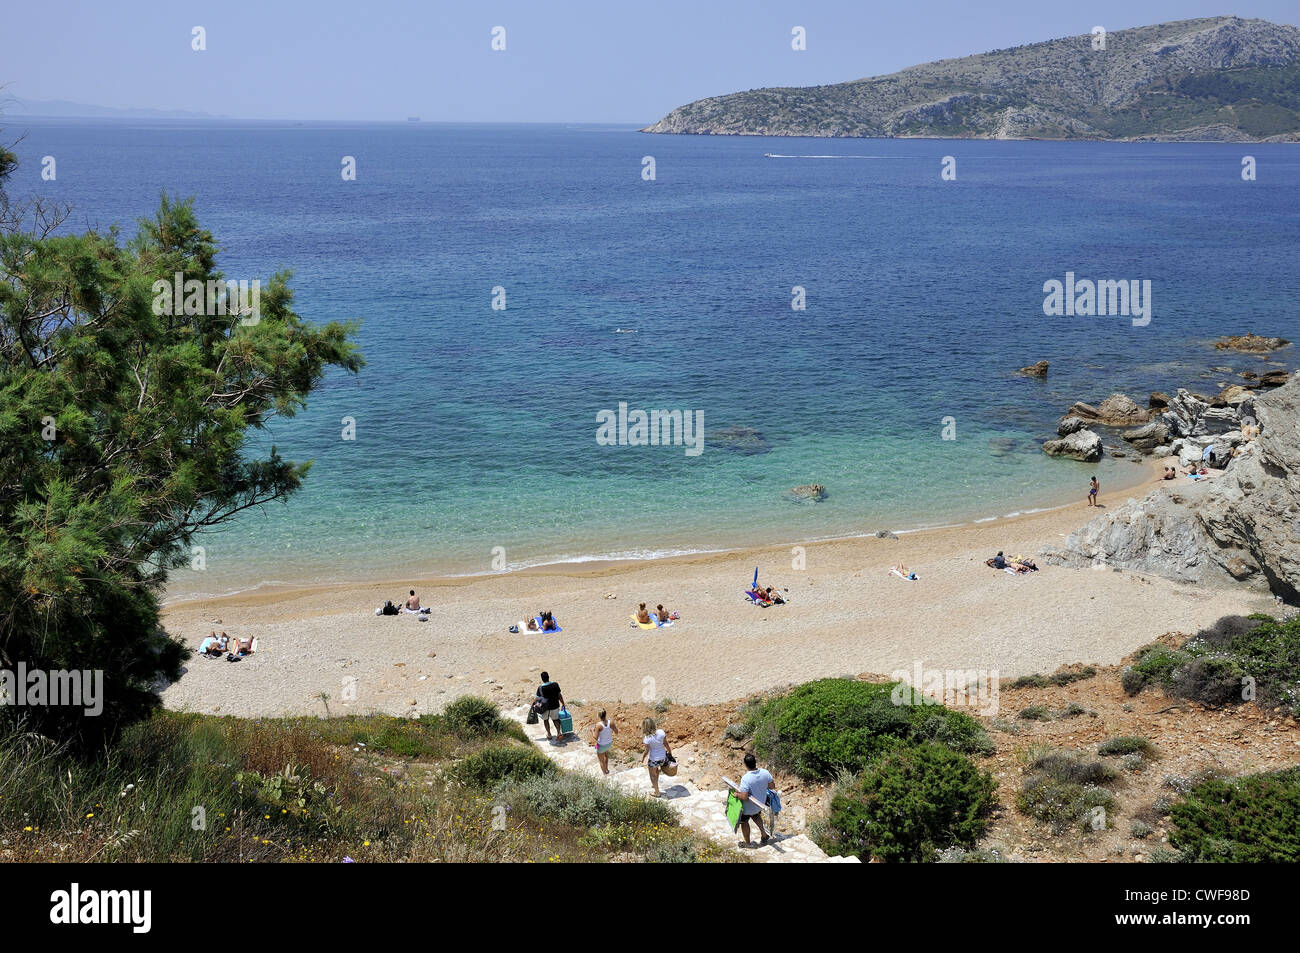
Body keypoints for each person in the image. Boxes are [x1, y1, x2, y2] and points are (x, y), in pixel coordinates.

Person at [736, 753, 777, 847]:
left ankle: (748, 843)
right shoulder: (765, 772)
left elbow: (744, 797)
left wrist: (737, 795)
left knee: (744, 822)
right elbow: (772, 786)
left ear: (745, 765)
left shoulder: (746, 779)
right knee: (756, 815)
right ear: (755, 762)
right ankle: (763, 834)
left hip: (748, 807)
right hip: (760, 804)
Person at [641, 717, 672, 797]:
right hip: (663, 757)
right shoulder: (661, 732)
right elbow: (666, 744)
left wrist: (643, 757)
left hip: (654, 759)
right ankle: (655, 785)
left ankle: (657, 792)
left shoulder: (647, 738)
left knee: (652, 774)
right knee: (657, 771)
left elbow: (646, 751)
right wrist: (670, 752)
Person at [535, 672, 566, 743]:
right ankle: (558, 733)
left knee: (546, 720)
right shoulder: (555, 685)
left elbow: (537, 698)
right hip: (555, 706)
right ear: (548, 677)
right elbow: (559, 695)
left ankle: (549, 734)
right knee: (556, 720)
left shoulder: (540, 688)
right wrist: (563, 703)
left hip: (545, 708)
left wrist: (533, 704)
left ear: (542, 679)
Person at [591, 709, 617, 774]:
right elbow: (616, 732)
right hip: (609, 743)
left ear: (599, 716)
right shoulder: (611, 722)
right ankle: (607, 769)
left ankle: (604, 773)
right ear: (605, 714)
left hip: (601, 745)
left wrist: (592, 731)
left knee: (601, 760)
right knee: (606, 755)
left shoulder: (598, 725)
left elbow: (596, 737)